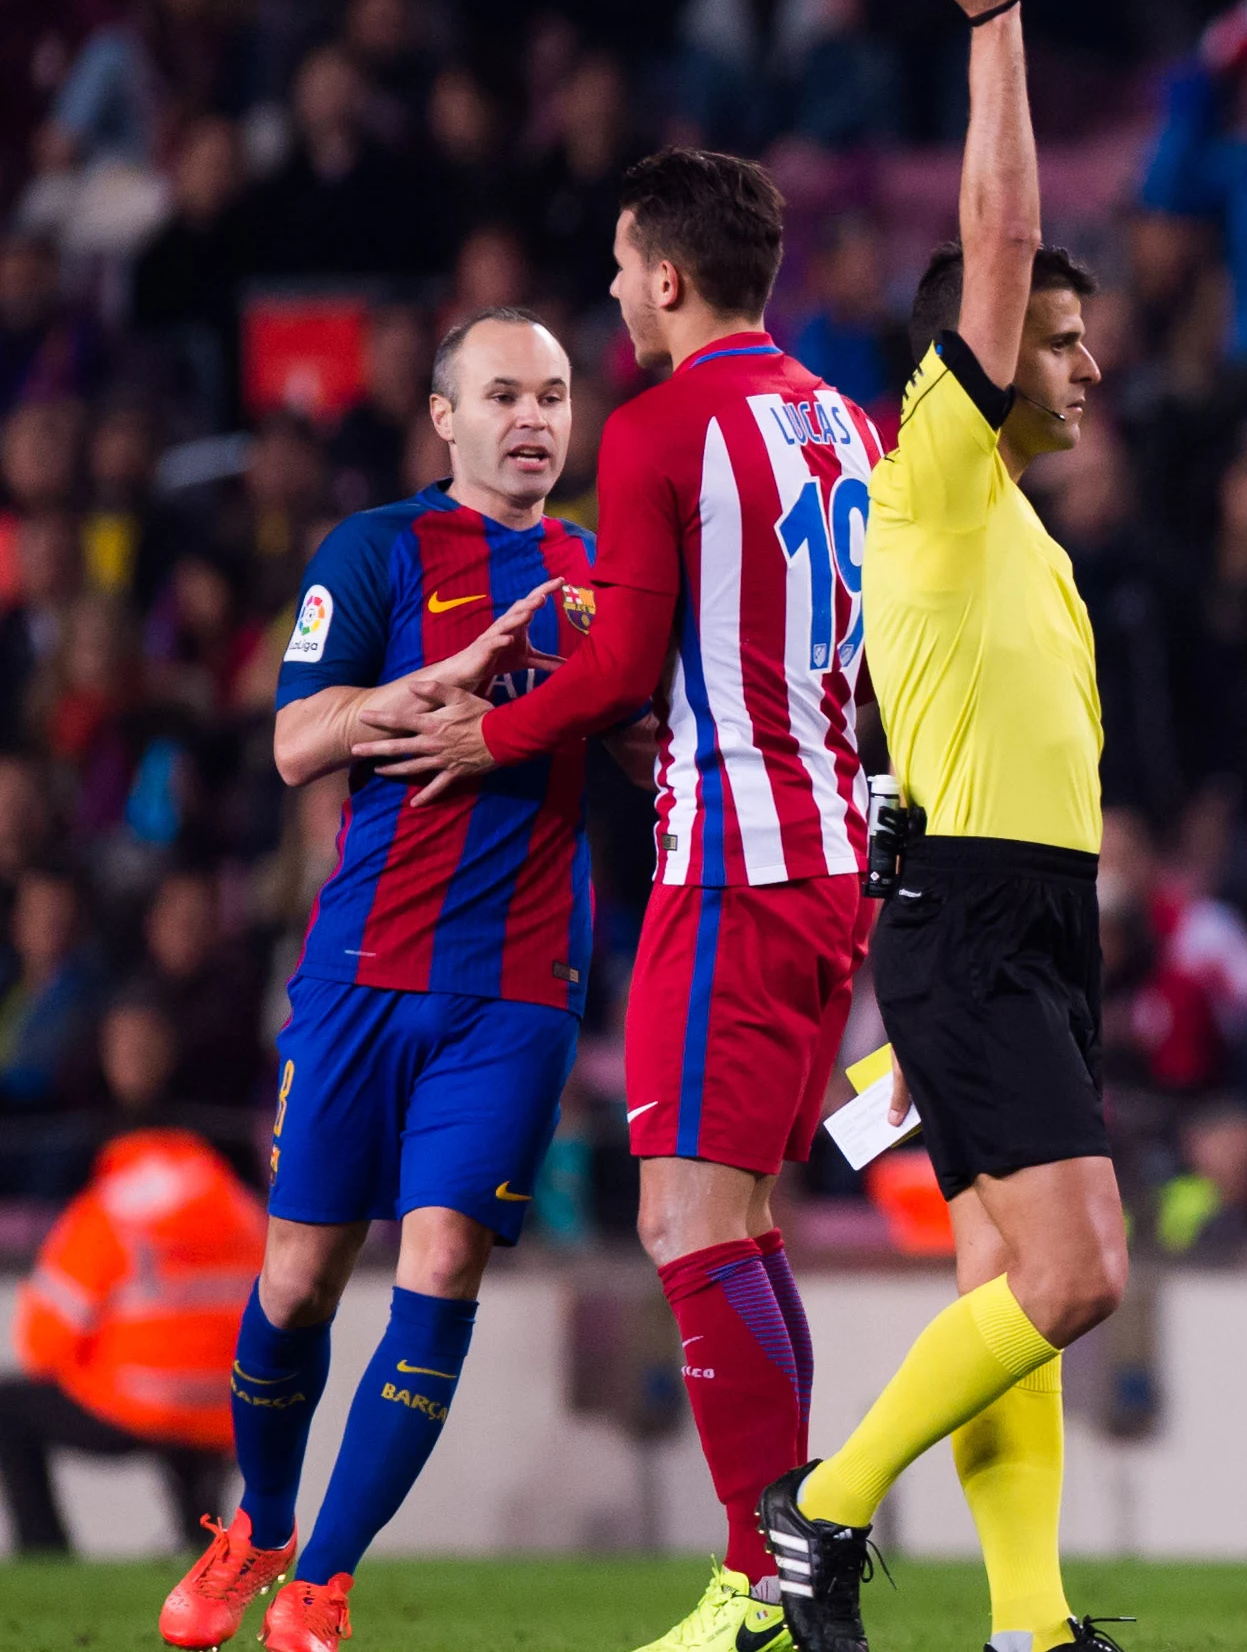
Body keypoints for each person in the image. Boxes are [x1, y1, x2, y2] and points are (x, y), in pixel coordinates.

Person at [356, 152, 878, 1652]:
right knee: (743, 1220)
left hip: (729, 864)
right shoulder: (844, 419)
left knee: (684, 1218)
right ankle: (796, 1563)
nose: (607, 290)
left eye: (615, 263)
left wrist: (484, 730)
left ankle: (759, 1581)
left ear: (663, 275)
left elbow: (622, 673)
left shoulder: (661, 425)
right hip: (832, 851)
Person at [751, 0, 1127, 1652]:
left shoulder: (1021, 535)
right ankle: (818, 1517)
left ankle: (1029, 1622)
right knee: (1077, 1272)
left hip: (1025, 910)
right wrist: (998, 28)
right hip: (967, 909)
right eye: (1059, 342)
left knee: (1011, 1286)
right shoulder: (938, 474)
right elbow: (997, 230)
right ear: (968, 364)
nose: (1084, 365)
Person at [162, 310, 605, 1652]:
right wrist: (427, 687)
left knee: (441, 1264)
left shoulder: (605, 573)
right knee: (296, 1279)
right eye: (505, 396)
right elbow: (297, 740)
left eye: (555, 395)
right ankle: (263, 1523)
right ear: (444, 416)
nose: (533, 419)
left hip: (520, 987)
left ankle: (323, 1583)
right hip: (361, 971)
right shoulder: (374, 550)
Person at [2, 999, 260, 1558]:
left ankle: (46, 1557)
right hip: (225, 1410)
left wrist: (97, 1365)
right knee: (191, 1434)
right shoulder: (229, 1197)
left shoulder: (111, 1205)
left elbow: (42, 1339)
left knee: (8, 1408)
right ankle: (205, 1554)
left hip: (138, 1404)